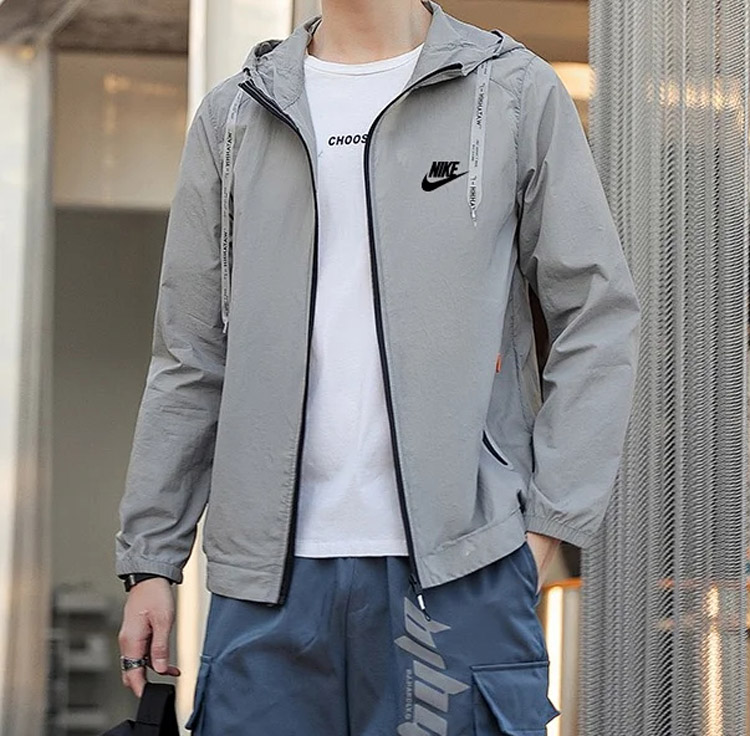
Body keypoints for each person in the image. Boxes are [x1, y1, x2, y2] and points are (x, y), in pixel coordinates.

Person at [115, 0, 641, 733]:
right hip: (265, 585)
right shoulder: (236, 114)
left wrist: (544, 527)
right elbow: (190, 353)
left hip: (460, 572)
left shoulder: (512, 90)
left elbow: (597, 313)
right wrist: (151, 557)